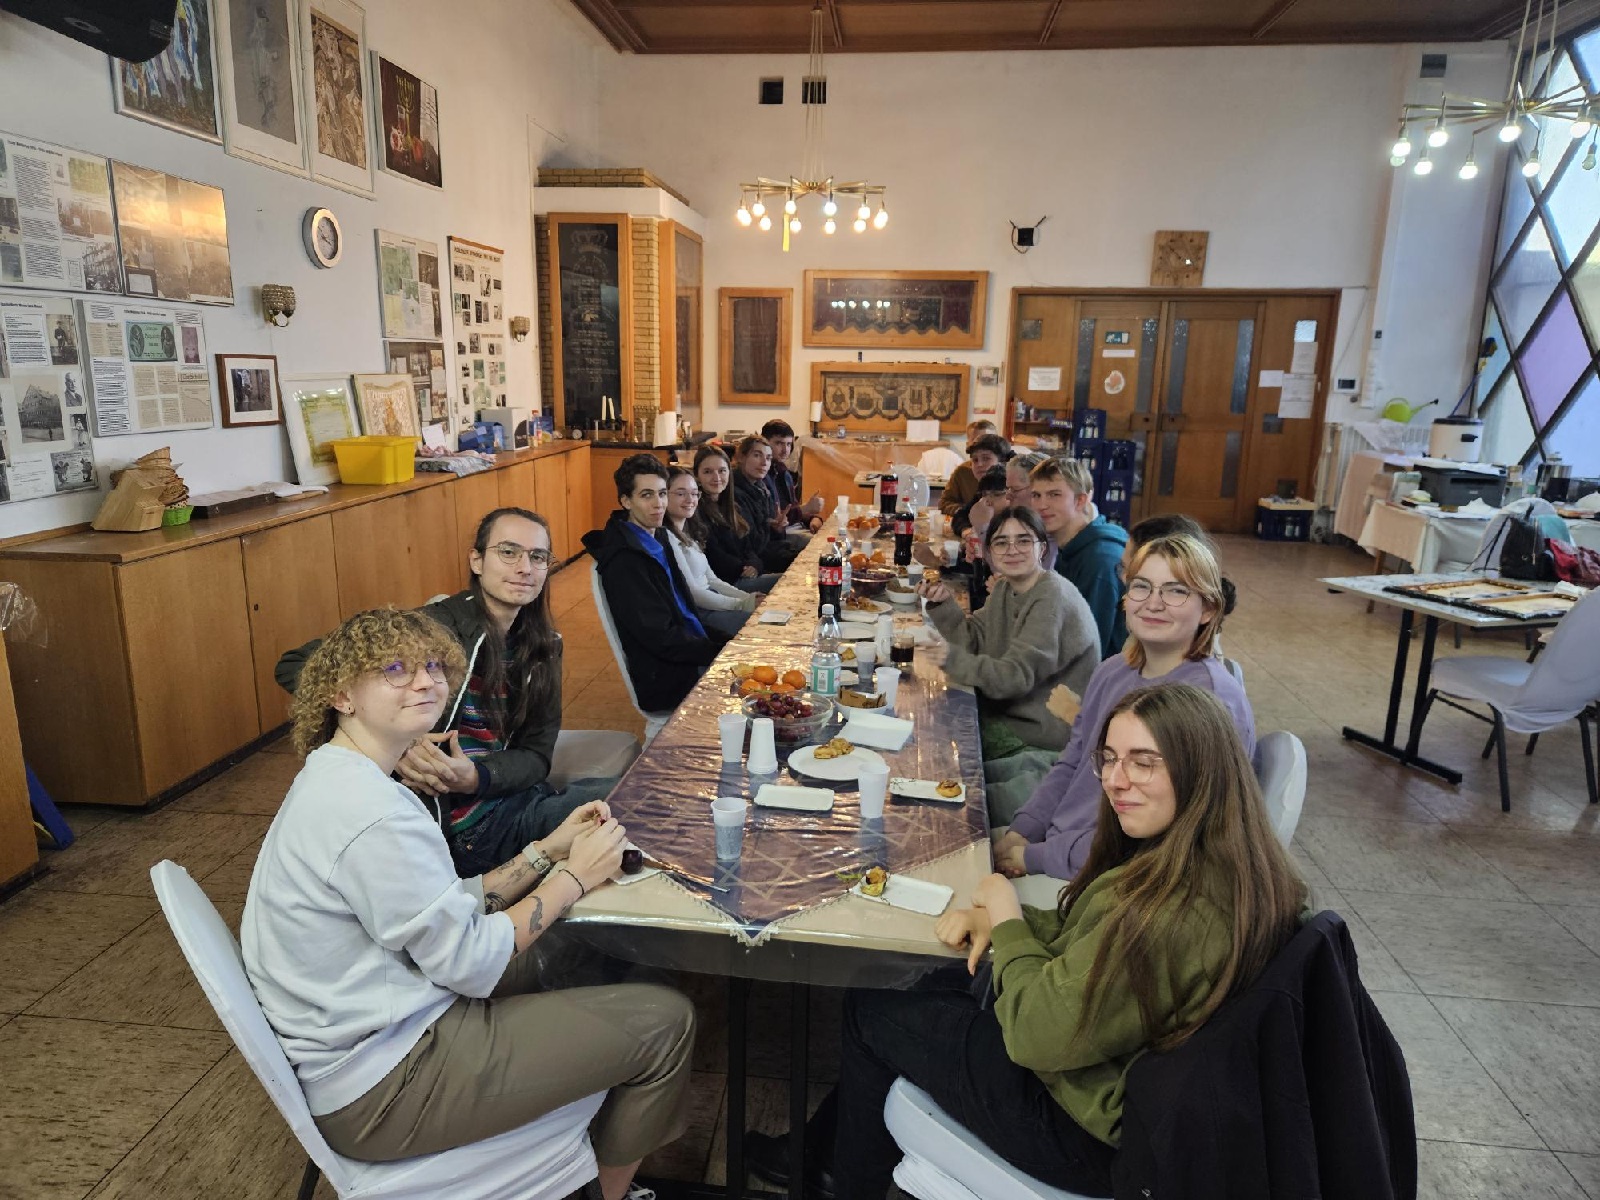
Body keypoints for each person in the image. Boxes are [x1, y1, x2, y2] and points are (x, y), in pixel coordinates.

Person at [746, 683, 1306, 1200]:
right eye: (1110, 759)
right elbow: (1084, 938)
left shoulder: (1171, 912)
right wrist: (1007, 926)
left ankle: (839, 1182)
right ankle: (834, 1154)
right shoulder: (1223, 865)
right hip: (1116, 1078)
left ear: (1201, 770)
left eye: (1144, 762)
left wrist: (1007, 914)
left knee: (870, 1009)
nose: (1116, 781)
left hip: (1083, 1128)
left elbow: (1038, 1036)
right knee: (939, 980)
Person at [244, 607, 695, 1200]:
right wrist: (574, 878)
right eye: (395, 670)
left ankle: (581, 1128)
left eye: (433, 666)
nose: (425, 682)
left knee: (586, 950)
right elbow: (472, 963)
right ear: (341, 695)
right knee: (667, 1022)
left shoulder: (343, 775)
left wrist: (546, 851)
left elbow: (441, 907)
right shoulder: (371, 813)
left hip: (383, 1031)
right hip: (387, 1087)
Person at [276, 507, 630, 879]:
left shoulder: (543, 646)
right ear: (476, 561)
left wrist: (476, 776)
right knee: (645, 804)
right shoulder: (433, 627)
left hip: (514, 797)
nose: (525, 568)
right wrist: (395, 739)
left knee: (645, 793)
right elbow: (294, 663)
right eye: (508, 552)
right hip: (467, 832)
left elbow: (536, 755)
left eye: (537, 556)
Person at [996, 532, 1255, 872]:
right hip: (1067, 845)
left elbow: (1162, 839)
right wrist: (1024, 830)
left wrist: (1036, 857)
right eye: (1142, 586)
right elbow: (1074, 761)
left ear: (1208, 609)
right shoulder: (1113, 671)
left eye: (1176, 591)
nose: (1154, 603)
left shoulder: (1208, 701)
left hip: (1123, 875)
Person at [921, 506, 1099, 775]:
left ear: (1042, 549)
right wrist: (944, 604)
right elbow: (974, 640)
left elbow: (1016, 676)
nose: (1012, 550)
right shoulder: (1006, 587)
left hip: (1040, 738)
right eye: (1001, 542)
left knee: (940, 759)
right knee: (931, 729)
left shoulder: (1052, 597)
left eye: (1023, 541)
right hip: (1007, 714)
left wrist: (953, 659)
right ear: (990, 552)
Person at [582, 453, 728, 712]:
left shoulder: (657, 536)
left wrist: (726, 643)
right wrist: (719, 652)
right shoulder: (625, 561)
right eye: (646, 495)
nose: (658, 504)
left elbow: (684, 612)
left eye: (662, 494)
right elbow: (660, 637)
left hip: (690, 652)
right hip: (669, 679)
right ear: (626, 501)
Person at [1031, 457, 1128, 659]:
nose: (1042, 505)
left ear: (1080, 500)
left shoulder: (1099, 560)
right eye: (1036, 495)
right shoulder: (1072, 546)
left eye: (1054, 495)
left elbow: (1088, 647)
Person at [663, 464, 758, 639]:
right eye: (681, 493)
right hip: (700, 613)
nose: (690, 499)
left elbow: (712, 580)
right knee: (764, 625)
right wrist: (742, 604)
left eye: (694, 493)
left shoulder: (689, 532)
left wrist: (749, 598)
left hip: (714, 602)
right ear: (663, 496)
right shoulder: (667, 537)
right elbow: (694, 593)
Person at [693, 443, 778, 593]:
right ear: (697, 476)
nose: (716, 477)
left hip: (746, 574)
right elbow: (714, 556)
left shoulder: (732, 506)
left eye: (722, 471)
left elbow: (748, 547)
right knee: (787, 582)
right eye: (707, 472)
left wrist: (755, 564)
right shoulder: (696, 510)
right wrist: (744, 568)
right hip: (726, 584)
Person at [731, 435, 800, 573]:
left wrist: (777, 528)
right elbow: (753, 545)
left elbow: (772, 538)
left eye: (768, 458)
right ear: (741, 457)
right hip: (751, 564)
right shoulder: (734, 493)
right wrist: (767, 525)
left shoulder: (761, 488)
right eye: (757, 455)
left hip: (767, 553)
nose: (764, 463)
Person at [760, 418, 824, 540]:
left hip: (795, 527)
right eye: (779, 443)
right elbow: (775, 518)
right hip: (778, 535)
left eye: (789, 444)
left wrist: (813, 518)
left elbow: (793, 509)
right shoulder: (761, 475)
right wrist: (806, 508)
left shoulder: (784, 473)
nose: (785, 450)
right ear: (765, 444)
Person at [939, 420, 1002, 516]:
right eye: (976, 441)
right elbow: (944, 503)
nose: (980, 464)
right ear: (968, 445)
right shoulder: (962, 472)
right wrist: (967, 511)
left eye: (988, 442)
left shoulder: (1010, 474)